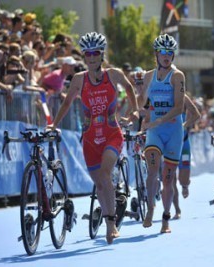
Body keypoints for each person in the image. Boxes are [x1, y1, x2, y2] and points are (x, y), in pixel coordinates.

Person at [47, 32, 139, 244]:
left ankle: (110, 223)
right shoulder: (79, 80)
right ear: (84, 56)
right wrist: (54, 123)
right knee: (99, 184)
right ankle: (109, 217)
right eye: (87, 54)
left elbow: (129, 88)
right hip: (89, 139)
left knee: (105, 173)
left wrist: (134, 110)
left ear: (101, 55)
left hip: (111, 134)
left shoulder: (113, 74)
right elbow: (67, 103)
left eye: (95, 53)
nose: (91, 58)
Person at [136, 33, 185, 233]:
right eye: (163, 52)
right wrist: (142, 112)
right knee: (152, 170)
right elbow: (144, 105)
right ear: (156, 54)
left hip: (173, 131)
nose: (166, 56)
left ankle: (165, 219)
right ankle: (150, 209)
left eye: (170, 53)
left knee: (168, 179)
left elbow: (179, 107)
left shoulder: (177, 76)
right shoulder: (148, 76)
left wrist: (158, 120)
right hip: (155, 132)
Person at [172, 93, 201, 219]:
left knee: (182, 179)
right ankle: (177, 209)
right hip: (169, 144)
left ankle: (185, 185)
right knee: (170, 179)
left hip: (183, 143)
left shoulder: (183, 97)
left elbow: (196, 115)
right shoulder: (161, 95)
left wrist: (185, 124)